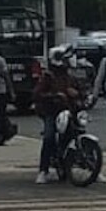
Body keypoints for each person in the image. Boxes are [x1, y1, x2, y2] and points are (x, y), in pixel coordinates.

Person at [34, 49, 85, 184]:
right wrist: (55, 95)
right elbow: (37, 94)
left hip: (69, 111)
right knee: (49, 137)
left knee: (78, 131)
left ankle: (90, 166)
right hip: (51, 111)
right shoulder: (48, 76)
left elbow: (81, 91)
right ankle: (43, 170)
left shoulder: (70, 77)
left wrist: (80, 95)